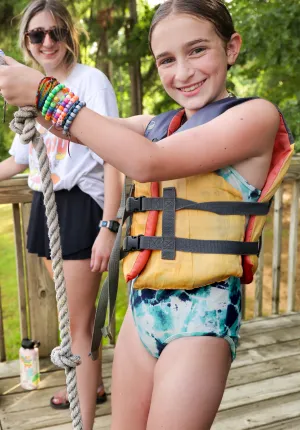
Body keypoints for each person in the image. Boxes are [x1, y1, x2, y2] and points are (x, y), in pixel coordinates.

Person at [0, 0, 294, 429]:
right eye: (167, 60)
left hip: (202, 318)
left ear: (231, 48)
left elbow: (146, 162)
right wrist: (25, 90)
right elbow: (79, 130)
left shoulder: (255, 117)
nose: (183, 72)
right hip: (141, 313)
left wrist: (45, 92)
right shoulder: (160, 123)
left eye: (197, 51)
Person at [0, 0, 123, 428]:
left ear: (69, 33)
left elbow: (115, 157)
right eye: (37, 34)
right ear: (27, 42)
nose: (47, 41)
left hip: (80, 208)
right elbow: (17, 160)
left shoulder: (91, 82)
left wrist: (109, 226)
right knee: (75, 314)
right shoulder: (31, 87)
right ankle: (93, 384)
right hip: (46, 207)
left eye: (55, 32)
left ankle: (83, 419)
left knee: (78, 326)